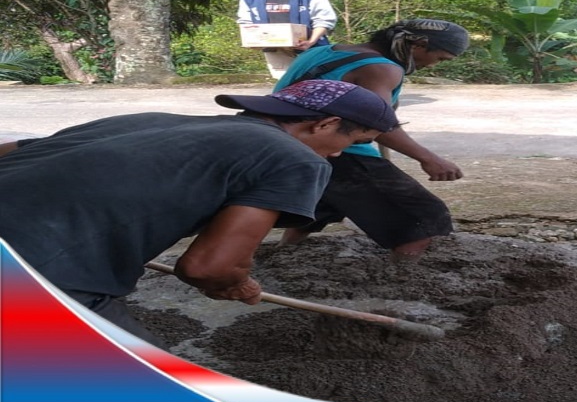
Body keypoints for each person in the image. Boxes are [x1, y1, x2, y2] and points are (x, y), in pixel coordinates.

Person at [0, 80, 398, 348]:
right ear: (325, 124)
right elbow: (207, 267)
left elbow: (17, 151)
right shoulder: (294, 159)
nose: (340, 154)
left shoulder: (148, 121)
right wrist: (235, 283)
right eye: (354, 141)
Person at [271, 18, 469, 262]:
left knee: (328, 202)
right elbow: (378, 122)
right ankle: (407, 280)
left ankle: (284, 255)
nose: (434, 65)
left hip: (290, 143)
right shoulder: (381, 68)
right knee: (424, 218)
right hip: (337, 150)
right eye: (440, 58)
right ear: (418, 44)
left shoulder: (324, 51)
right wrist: (428, 159)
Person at [235, 0, 338, 79]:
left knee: (317, 81)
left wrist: (311, 41)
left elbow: (324, 21)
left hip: (312, 49)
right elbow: (246, 23)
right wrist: (253, 42)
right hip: (275, 52)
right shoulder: (249, 1)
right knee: (286, 84)